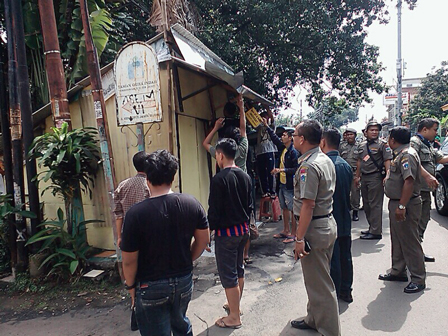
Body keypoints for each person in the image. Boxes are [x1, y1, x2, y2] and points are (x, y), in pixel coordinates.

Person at [121, 150, 210, 336]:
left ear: (147, 179)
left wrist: (130, 287)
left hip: (150, 285)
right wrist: (188, 258)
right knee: (180, 325)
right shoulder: (191, 203)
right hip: (184, 280)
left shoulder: (135, 214)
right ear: (173, 176)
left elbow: (129, 260)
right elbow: (203, 241)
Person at [291, 120, 340, 336]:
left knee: (320, 285)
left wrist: (299, 238)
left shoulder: (308, 166)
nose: (292, 138)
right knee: (317, 279)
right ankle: (313, 319)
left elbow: (308, 205)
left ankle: (329, 331)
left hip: (314, 228)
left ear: (302, 139)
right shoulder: (323, 159)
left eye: (294, 134)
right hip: (326, 223)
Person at [208, 138, 252, 330]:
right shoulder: (245, 176)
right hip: (243, 231)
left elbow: (214, 210)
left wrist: (210, 230)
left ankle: (234, 316)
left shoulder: (219, 179)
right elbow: (250, 206)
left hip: (227, 234)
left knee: (228, 274)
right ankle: (235, 306)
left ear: (220, 155)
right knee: (238, 268)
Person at [379, 127, 426, 294]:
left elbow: (409, 181)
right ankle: (397, 271)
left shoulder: (406, 155)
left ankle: (418, 278)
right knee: (398, 238)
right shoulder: (400, 153)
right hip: (397, 202)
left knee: (410, 241)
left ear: (393, 139)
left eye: (389, 138)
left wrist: (401, 206)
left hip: (406, 204)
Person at [321, 129, 354, 304]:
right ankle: (346, 290)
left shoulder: (325, 165)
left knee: (333, 258)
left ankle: (334, 292)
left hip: (331, 218)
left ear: (323, 142)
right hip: (344, 217)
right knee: (345, 256)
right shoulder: (345, 164)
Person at [410, 118, 448, 262]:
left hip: (425, 191)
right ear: (424, 129)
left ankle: (417, 250)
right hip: (416, 190)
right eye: (434, 130)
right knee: (414, 221)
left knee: (423, 219)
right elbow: (412, 161)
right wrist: (427, 176)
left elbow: (440, 159)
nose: (436, 133)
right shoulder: (415, 142)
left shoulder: (428, 144)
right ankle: (412, 254)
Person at [355, 120, 392, 239]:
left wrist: (388, 175)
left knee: (375, 205)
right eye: (372, 130)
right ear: (366, 132)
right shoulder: (361, 145)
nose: (374, 132)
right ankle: (372, 227)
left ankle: (376, 232)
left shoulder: (383, 145)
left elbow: (387, 160)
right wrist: (357, 176)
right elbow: (359, 161)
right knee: (366, 204)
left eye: (376, 130)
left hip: (375, 177)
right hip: (364, 177)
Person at [263, 121, 299, 243]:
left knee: (293, 209)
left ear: (290, 138)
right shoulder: (283, 148)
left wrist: (281, 170)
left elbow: (296, 169)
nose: (282, 137)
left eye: (284, 135)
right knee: (284, 207)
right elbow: (274, 138)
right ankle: (285, 230)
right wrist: (267, 127)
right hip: (282, 183)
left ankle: (294, 234)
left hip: (290, 184)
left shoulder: (294, 152)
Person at [114, 151, 150, 250]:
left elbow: (118, 214)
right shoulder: (150, 185)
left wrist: (119, 237)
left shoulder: (122, 185)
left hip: (128, 232)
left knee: (131, 263)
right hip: (147, 232)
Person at [202, 94, 248, 172]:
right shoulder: (242, 148)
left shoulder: (220, 153)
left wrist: (215, 128)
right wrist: (241, 107)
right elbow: (243, 127)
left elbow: (205, 143)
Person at [339, 128, 361, 221]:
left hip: (355, 172)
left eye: (351, 134)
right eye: (347, 135)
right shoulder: (342, 146)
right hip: (344, 172)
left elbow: (361, 160)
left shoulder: (360, 146)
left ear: (355, 135)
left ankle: (355, 211)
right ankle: (346, 210)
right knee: (344, 192)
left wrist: (358, 175)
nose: (349, 136)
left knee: (355, 192)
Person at [255, 109, 277, 197]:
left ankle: (272, 191)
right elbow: (251, 120)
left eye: (265, 117)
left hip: (269, 150)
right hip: (260, 152)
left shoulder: (271, 127)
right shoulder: (259, 127)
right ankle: (265, 191)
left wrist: (267, 107)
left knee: (271, 171)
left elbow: (272, 118)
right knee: (262, 172)